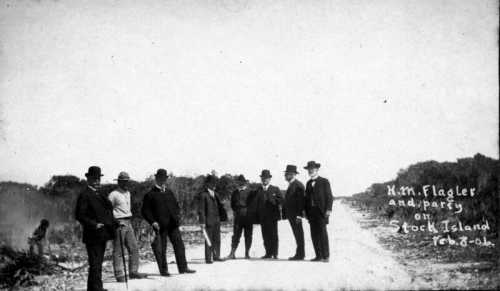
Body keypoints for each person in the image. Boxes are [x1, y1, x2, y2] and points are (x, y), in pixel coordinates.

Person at [141, 169, 195, 276]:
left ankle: (183, 268)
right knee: (162, 249)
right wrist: (153, 222)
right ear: (156, 179)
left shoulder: (169, 192)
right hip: (160, 226)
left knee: (179, 245)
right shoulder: (150, 194)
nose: (163, 180)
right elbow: (145, 211)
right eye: (160, 178)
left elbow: (176, 205)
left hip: (173, 224)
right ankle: (164, 270)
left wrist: (177, 216)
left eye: (164, 178)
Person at [75, 166, 117, 291]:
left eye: (98, 179)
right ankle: (97, 288)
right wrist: (94, 224)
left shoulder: (99, 194)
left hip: (102, 234)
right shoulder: (85, 195)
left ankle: (94, 288)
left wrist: (115, 223)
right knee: (95, 264)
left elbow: (108, 211)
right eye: (94, 179)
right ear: (88, 179)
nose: (97, 181)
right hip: (92, 235)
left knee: (97, 263)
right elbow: (80, 215)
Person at [108, 171, 147, 282]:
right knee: (118, 250)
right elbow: (107, 210)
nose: (125, 183)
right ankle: (119, 274)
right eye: (123, 181)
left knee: (133, 247)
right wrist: (114, 221)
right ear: (119, 182)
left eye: (127, 181)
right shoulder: (113, 194)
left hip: (128, 222)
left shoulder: (128, 193)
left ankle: (133, 272)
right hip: (119, 223)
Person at [303, 161, 333, 263]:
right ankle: (318, 256)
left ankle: (326, 256)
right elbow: (306, 199)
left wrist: (328, 209)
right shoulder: (308, 183)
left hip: (321, 212)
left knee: (322, 234)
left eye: (312, 169)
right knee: (314, 234)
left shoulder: (324, 181)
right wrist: (306, 213)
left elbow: (329, 196)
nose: (310, 171)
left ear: (317, 170)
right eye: (309, 169)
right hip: (311, 213)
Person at [198, 174, 228, 263]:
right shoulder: (203, 195)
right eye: (212, 183)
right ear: (207, 184)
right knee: (208, 239)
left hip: (216, 220)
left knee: (217, 239)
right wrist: (202, 222)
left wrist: (222, 217)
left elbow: (220, 207)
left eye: (215, 183)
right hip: (208, 221)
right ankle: (208, 258)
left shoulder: (216, 194)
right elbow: (201, 210)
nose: (214, 185)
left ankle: (216, 256)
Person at [226, 175, 257, 259]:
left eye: (242, 182)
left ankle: (247, 253)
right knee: (236, 235)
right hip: (238, 216)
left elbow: (254, 203)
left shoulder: (250, 191)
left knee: (248, 235)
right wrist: (236, 211)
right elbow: (232, 204)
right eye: (239, 182)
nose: (240, 184)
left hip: (248, 216)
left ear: (245, 183)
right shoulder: (235, 192)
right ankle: (232, 253)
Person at [255, 170, 283, 259]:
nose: (264, 180)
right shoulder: (258, 190)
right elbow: (255, 203)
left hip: (273, 216)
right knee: (265, 235)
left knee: (274, 235)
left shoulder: (275, 189)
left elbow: (281, 200)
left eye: (266, 178)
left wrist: (273, 200)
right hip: (262, 217)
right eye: (263, 178)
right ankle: (268, 253)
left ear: (270, 179)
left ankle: (275, 253)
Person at [282, 165, 306, 260]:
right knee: (297, 234)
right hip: (292, 215)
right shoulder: (292, 185)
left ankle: (300, 254)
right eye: (285, 174)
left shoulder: (298, 185)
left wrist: (299, 215)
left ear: (292, 174)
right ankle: (300, 253)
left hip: (296, 215)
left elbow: (301, 202)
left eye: (287, 174)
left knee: (299, 234)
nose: (285, 176)